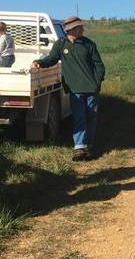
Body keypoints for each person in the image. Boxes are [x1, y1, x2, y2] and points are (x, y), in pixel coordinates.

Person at [31, 16, 105, 161]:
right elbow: (51, 59)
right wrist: (39, 62)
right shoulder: (61, 44)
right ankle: (80, 147)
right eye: (80, 27)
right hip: (74, 88)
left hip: (91, 88)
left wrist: (97, 82)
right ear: (72, 30)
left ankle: (89, 146)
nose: (83, 29)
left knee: (91, 117)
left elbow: (99, 65)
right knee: (79, 117)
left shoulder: (89, 44)